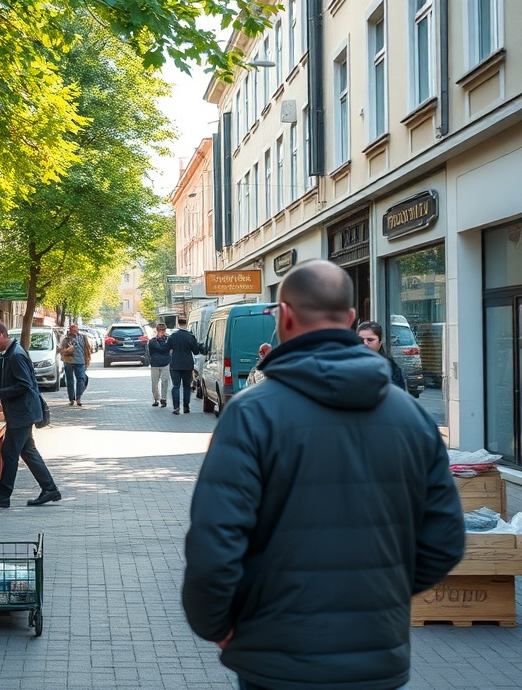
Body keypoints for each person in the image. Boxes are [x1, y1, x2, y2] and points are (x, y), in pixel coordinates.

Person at [182, 260, 464, 690]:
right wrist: (380, 595)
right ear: (350, 320)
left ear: (285, 315)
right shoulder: (411, 416)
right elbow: (445, 539)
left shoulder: (251, 414)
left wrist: (218, 625)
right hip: (376, 657)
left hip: (276, 658)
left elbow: (214, 543)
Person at [0, 322, 61, 508]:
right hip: (21, 412)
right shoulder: (11, 353)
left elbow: (24, 385)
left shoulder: (15, 355)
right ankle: (49, 489)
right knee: (27, 451)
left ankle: (3, 494)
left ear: (0, 335)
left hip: (22, 413)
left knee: (9, 452)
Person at [166, 315, 204, 414]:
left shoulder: (173, 336)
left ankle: (176, 407)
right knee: (187, 386)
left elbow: (167, 347)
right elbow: (195, 351)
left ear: (178, 323)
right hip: (187, 364)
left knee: (176, 386)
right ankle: (186, 406)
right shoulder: (190, 336)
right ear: (186, 324)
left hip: (175, 364)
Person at [357, 320, 407, 391]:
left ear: (380, 343)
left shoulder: (391, 368)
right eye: (361, 340)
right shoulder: (347, 364)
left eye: (370, 340)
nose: (365, 343)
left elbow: (398, 394)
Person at [58, 323, 91, 407]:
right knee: (70, 381)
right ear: (69, 329)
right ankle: (71, 399)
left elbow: (87, 349)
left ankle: (78, 397)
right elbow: (61, 350)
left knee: (81, 379)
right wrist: (67, 350)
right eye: (71, 327)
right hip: (69, 362)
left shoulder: (83, 337)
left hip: (80, 361)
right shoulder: (66, 339)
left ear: (77, 328)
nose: (73, 328)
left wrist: (87, 360)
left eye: (75, 327)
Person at [147, 322, 171, 407]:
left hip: (166, 363)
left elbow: (168, 349)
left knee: (165, 381)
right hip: (155, 364)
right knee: (154, 383)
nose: (162, 332)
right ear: (157, 330)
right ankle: (156, 399)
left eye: (163, 330)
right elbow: (150, 352)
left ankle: (163, 399)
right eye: (161, 330)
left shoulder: (168, 340)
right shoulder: (152, 341)